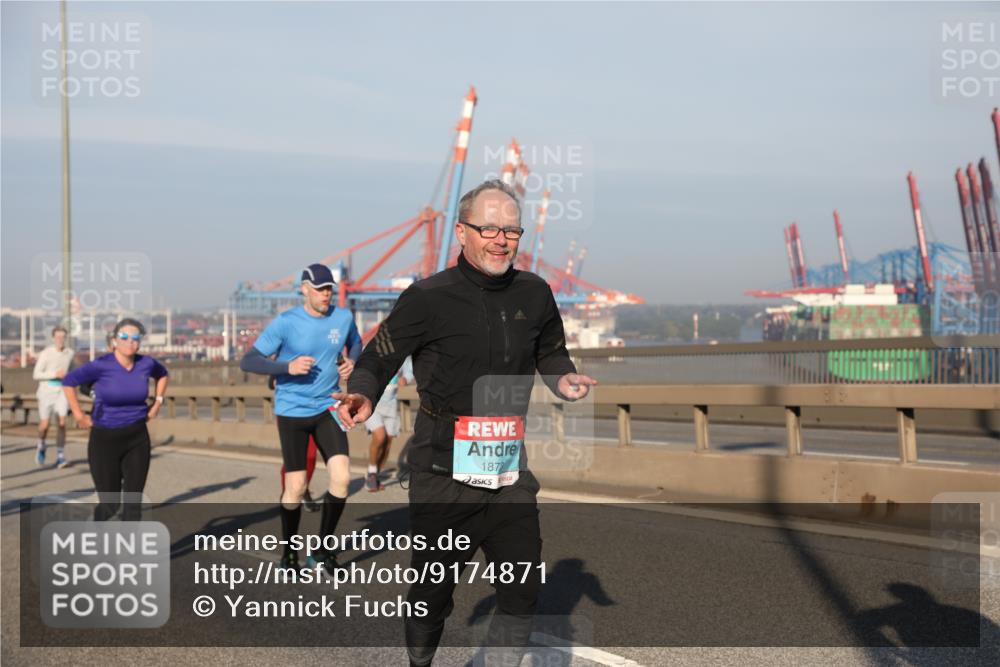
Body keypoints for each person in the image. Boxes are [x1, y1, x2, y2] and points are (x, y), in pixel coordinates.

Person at [335, 180, 597, 666]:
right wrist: (364, 394)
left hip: (508, 466)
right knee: (432, 595)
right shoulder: (427, 297)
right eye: (489, 228)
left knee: (521, 594)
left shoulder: (535, 293)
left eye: (511, 230)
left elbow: (552, 354)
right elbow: (379, 356)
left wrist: (565, 381)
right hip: (441, 468)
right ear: (461, 232)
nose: (501, 239)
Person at [239, 263, 362, 572]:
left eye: (329, 288)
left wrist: (352, 361)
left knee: (342, 478)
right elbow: (249, 360)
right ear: (304, 289)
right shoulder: (286, 322)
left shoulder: (343, 317)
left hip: (328, 407)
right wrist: (286, 367)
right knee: (295, 487)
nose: (326, 294)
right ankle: (289, 551)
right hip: (292, 411)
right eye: (320, 289)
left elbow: (356, 342)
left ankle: (321, 550)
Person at [62, 318, 169, 521]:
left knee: (133, 503)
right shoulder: (101, 365)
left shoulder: (146, 363)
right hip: (104, 440)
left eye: (135, 338)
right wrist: (78, 414)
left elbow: (163, 375)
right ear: (114, 341)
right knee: (110, 505)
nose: (130, 341)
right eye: (124, 337)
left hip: (136, 437)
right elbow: (69, 382)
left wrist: (157, 403)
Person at [364, 356, 413, 491]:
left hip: (392, 405)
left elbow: (409, 371)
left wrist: (406, 379)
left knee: (388, 443)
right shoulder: (376, 349)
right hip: (373, 403)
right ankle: (372, 472)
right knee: (380, 436)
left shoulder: (403, 352)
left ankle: (375, 475)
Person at [33, 326, 75, 467]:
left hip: (62, 391)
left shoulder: (70, 353)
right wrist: (54, 375)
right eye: (57, 337)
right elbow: (36, 374)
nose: (60, 340)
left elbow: (73, 371)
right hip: (46, 392)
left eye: (63, 337)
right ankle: (41, 445)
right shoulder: (46, 353)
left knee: (62, 423)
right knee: (44, 425)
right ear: (53, 338)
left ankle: (61, 455)